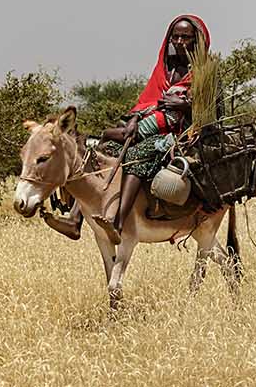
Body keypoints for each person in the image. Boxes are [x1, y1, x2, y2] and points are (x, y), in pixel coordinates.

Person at [87, 15, 210, 238]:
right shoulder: (165, 69)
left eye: (186, 37)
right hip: (152, 125)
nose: (180, 42)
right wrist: (134, 119)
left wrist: (183, 105)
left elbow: (210, 114)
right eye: (176, 37)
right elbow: (146, 101)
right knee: (106, 150)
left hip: (181, 135)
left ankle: (118, 222)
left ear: (197, 41)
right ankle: (76, 219)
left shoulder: (205, 73)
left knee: (137, 154)